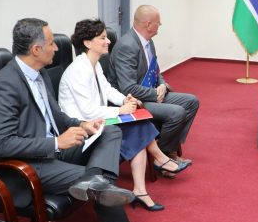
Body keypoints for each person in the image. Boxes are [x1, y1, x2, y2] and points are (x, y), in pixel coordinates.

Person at [0, 18, 175, 222]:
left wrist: (82, 125)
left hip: (52, 150)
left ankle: (95, 182)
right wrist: (55, 142)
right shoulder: (5, 85)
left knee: (109, 131)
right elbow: (1, 143)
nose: (56, 48)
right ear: (36, 50)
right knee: (101, 187)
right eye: (51, 43)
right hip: (26, 163)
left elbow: (56, 116)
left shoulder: (37, 74)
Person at [58, 19, 189, 210]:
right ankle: (158, 163)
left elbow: (108, 90)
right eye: (102, 38)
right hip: (82, 127)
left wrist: (125, 100)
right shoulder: (78, 70)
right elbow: (87, 110)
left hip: (97, 120)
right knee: (138, 127)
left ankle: (142, 188)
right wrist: (121, 110)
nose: (108, 41)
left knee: (139, 123)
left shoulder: (93, 64)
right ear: (87, 43)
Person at [108, 5, 199, 164]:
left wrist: (162, 85)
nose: (161, 24)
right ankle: (162, 157)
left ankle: (166, 149)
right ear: (148, 24)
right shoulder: (127, 46)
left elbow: (155, 71)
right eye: (158, 22)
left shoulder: (148, 42)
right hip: (133, 101)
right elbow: (127, 88)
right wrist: (155, 94)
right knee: (176, 112)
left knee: (191, 101)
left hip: (151, 93)